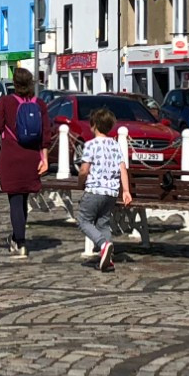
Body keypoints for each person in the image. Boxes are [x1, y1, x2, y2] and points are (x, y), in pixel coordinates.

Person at [0, 66, 48, 257]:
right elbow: (47, 134)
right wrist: (44, 158)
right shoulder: (39, 104)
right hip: (32, 157)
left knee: (15, 198)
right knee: (23, 197)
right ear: (30, 84)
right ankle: (17, 236)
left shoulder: (5, 102)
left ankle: (20, 242)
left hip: (11, 156)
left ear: (14, 84)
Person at [73, 107, 133, 272]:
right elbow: (122, 169)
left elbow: (84, 169)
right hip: (111, 193)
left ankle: (103, 245)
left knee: (84, 220)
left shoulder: (90, 145)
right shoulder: (115, 145)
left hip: (94, 190)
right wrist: (126, 191)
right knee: (103, 223)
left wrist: (80, 182)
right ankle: (107, 259)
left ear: (93, 126)